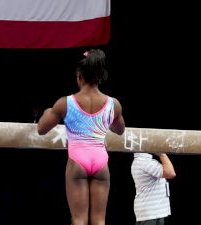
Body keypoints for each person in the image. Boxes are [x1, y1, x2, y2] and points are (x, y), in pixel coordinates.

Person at [37, 49, 125, 225]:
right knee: (100, 220)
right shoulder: (113, 104)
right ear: (100, 77)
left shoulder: (65, 103)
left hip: (78, 161)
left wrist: (49, 111)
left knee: (78, 220)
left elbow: (41, 129)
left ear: (79, 76)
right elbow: (120, 129)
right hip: (101, 162)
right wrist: (107, 118)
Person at [131, 153, 176, 225]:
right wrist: (162, 154)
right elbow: (170, 173)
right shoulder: (145, 162)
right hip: (151, 214)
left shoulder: (143, 161)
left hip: (153, 212)